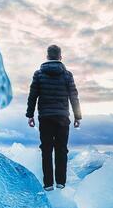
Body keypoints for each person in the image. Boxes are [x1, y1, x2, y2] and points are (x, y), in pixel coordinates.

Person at [26, 44, 82, 191]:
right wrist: (77, 117)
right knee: (61, 149)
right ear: (60, 57)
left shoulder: (38, 74)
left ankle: (48, 184)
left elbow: (33, 96)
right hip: (62, 117)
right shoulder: (67, 75)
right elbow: (73, 96)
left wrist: (30, 115)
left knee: (46, 150)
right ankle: (61, 182)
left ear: (47, 56)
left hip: (45, 117)